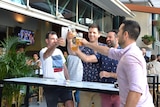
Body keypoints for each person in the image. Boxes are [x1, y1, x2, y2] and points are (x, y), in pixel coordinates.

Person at [80, 20, 154, 107]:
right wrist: (88, 44)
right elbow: (107, 51)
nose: (117, 34)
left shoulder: (131, 57)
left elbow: (136, 91)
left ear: (125, 34)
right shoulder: (126, 52)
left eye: (119, 31)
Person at [74, 29, 120, 107]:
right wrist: (75, 49)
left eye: (110, 37)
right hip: (104, 92)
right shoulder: (104, 52)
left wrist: (109, 74)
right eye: (107, 37)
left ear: (117, 38)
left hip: (119, 92)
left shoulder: (123, 53)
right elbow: (87, 59)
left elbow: (126, 75)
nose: (107, 39)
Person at [67, 24, 103, 107]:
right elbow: (72, 52)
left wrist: (78, 48)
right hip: (85, 84)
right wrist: (69, 40)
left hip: (100, 86)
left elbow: (88, 59)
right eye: (90, 32)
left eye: (94, 32)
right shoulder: (83, 46)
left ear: (99, 34)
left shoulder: (102, 47)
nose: (91, 34)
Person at [39, 31, 74, 107]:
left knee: (70, 103)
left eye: (56, 39)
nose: (55, 41)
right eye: (52, 39)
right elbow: (47, 55)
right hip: (50, 85)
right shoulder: (43, 51)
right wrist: (56, 44)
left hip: (62, 83)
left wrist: (68, 80)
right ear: (47, 41)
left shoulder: (59, 51)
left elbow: (64, 67)